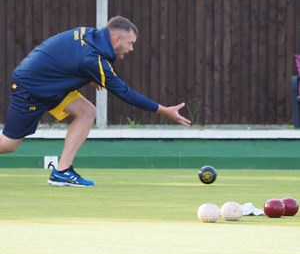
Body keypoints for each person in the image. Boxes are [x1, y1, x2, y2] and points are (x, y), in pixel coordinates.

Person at [0, 16, 191, 187]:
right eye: (131, 43)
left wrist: (85, 74)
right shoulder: (92, 59)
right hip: (32, 87)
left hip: (50, 84)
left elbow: (68, 53)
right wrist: (163, 110)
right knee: (9, 144)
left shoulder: (92, 36)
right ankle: (61, 172)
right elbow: (125, 93)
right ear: (116, 40)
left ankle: (62, 172)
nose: (132, 49)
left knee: (87, 112)